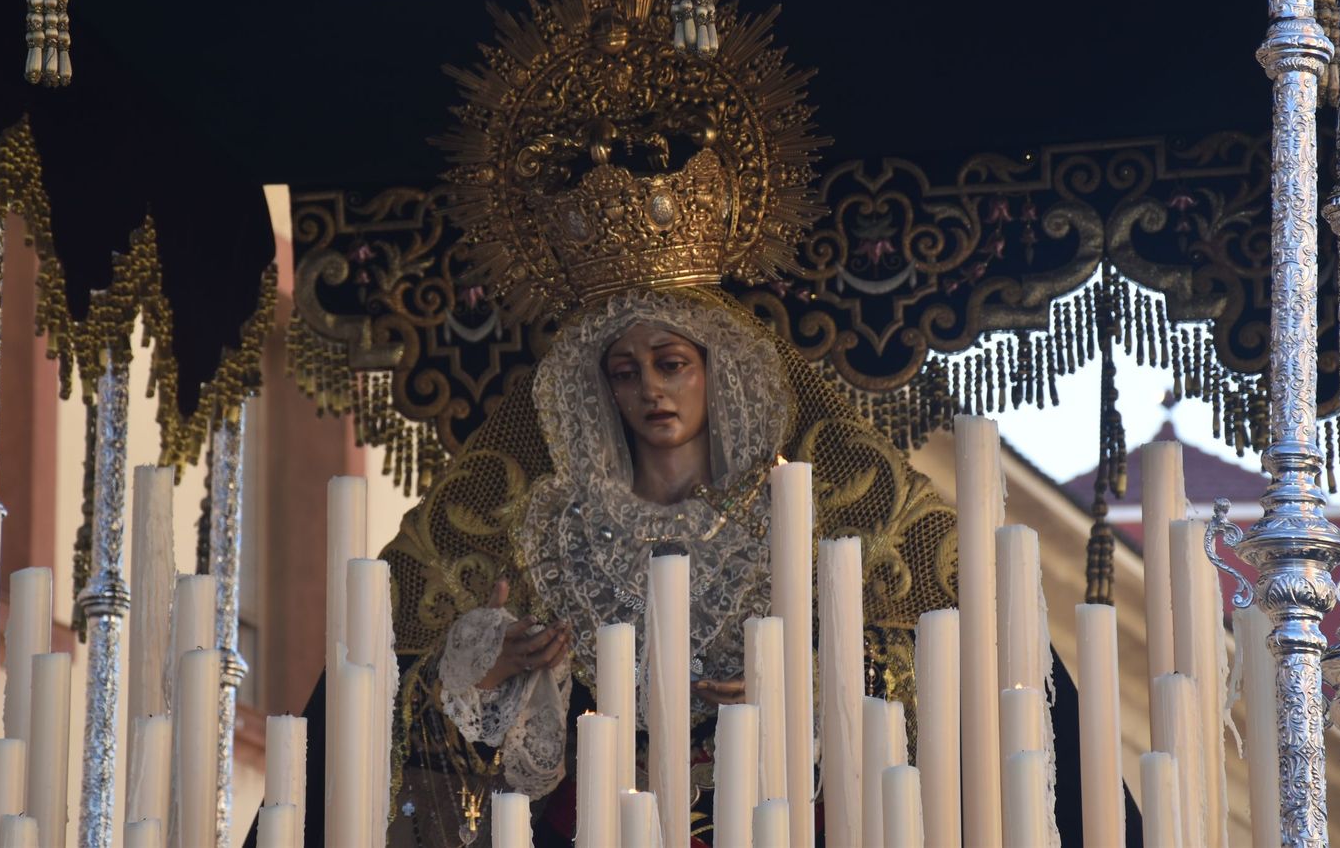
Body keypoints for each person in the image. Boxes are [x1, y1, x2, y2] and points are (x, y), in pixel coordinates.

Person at [379, 286, 957, 844]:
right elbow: (413, 715)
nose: (651, 388)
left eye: (672, 363)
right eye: (626, 373)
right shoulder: (552, 536)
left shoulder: (805, 516)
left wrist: (811, 680)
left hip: (777, 820)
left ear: (717, 370)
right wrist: (485, 667)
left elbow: (930, 657)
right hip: (597, 825)